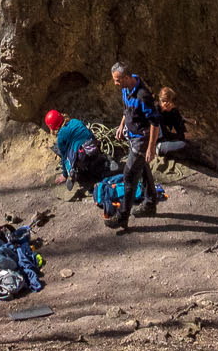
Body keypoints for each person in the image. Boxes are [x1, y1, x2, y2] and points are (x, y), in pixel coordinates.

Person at [110, 61, 160, 231]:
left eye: (117, 80)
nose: (115, 83)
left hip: (142, 139)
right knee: (142, 168)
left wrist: (151, 147)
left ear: (125, 77)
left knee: (129, 175)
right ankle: (150, 203)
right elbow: (127, 110)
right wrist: (121, 125)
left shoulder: (142, 95)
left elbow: (155, 122)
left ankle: (122, 217)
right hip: (131, 135)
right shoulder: (126, 89)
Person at [44, 110, 107, 196]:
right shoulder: (74, 121)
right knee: (77, 145)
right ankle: (102, 160)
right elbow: (88, 132)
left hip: (84, 156)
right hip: (94, 147)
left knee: (64, 153)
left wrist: (64, 174)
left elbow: (64, 157)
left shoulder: (61, 136)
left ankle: (73, 172)